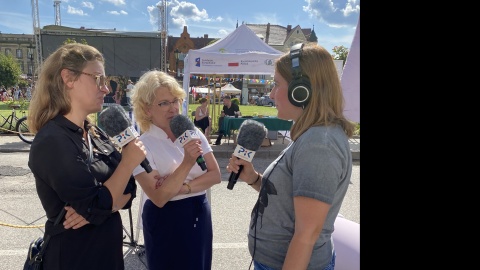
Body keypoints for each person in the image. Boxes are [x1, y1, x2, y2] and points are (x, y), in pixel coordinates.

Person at [226, 42, 355, 270]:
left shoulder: (319, 144)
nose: (272, 93)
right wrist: (255, 179)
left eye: (276, 84)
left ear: (301, 91)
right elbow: (289, 200)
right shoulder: (312, 135)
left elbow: (307, 234)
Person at [27, 43, 147, 270]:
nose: (106, 89)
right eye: (98, 79)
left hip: (107, 254)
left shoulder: (94, 132)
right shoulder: (52, 141)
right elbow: (95, 203)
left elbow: (130, 189)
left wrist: (101, 208)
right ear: (68, 78)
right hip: (74, 258)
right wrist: (128, 162)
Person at [131, 70, 222, 270]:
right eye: (164, 103)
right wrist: (187, 163)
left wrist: (182, 187)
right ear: (147, 109)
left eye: (176, 100)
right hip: (165, 220)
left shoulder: (193, 132)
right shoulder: (141, 145)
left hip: (198, 211)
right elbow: (159, 197)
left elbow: (215, 175)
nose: (173, 108)